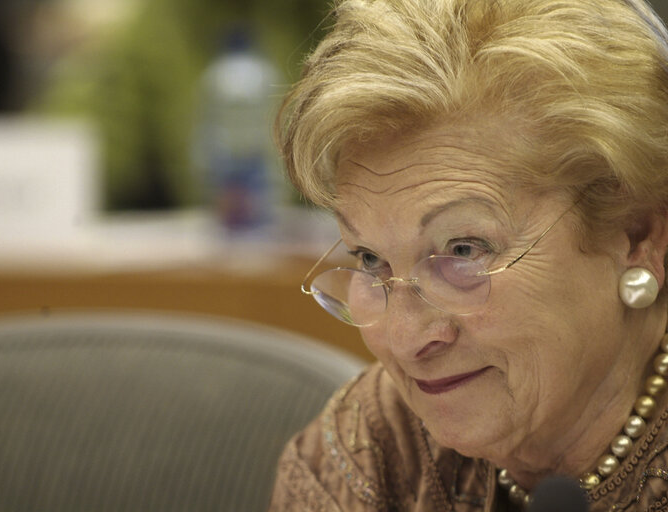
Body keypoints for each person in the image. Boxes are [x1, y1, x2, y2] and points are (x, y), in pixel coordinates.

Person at [268, 0, 668, 510]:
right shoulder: (372, 444)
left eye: (463, 250)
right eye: (369, 259)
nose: (404, 339)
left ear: (637, 237)